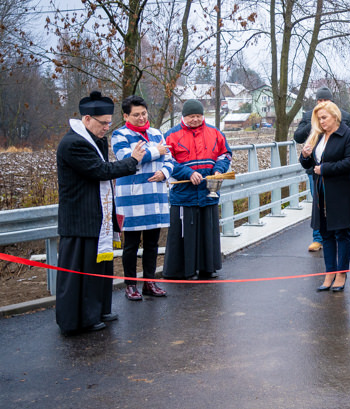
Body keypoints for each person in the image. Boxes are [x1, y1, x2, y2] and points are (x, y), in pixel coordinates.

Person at [55, 91, 146, 335]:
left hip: (99, 217)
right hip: (80, 218)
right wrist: (132, 161)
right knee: (80, 273)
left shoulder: (97, 139)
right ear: (86, 119)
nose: (107, 127)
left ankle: (99, 310)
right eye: (102, 122)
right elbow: (99, 170)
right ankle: (79, 319)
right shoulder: (73, 143)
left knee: (100, 269)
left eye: (108, 122)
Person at [111, 95, 173, 301]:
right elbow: (128, 159)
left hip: (154, 195)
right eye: (136, 115)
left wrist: (164, 172)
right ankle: (130, 284)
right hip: (131, 198)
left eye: (143, 114)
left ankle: (149, 282)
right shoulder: (119, 135)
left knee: (152, 244)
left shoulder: (156, 133)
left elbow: (170, 158)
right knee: (131, 245)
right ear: (126, 115)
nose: (141, 118)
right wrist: (157, 151)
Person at [162, 99, 232, 280]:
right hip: (184, 193)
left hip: (208, 191)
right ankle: (182, 271)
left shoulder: (215, 133)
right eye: (191, 116)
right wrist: (187, 173)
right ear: (184, 117)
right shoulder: (171, 135)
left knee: (207, 232)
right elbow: (168, 161)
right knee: (185, 233)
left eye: (198, 116)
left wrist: (219, 169)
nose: (195, 119)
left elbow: (225, 154)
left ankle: (207, 268)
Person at [300, 100, 350, 292]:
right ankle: (329, 273)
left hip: (341, 191)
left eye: (324, 117)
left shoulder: (349, 135)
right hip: (322, 192)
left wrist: (324, 169)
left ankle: (341, 274)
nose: (322, 122)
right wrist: (305, 155)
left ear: (335, 116)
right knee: (325, 234)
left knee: (341, 233)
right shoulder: (317, 136)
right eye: (319, 119)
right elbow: (308, 164)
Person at [294, 87, 350, 252]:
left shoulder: (344, 115)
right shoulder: (309, 116)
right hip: (315, 171)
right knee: (319, 206)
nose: (322, 103)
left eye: (325, 101)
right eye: (320, 101)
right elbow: (297, 136)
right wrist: (314, 127)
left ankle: (337, 236)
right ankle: (318, 238)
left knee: (335, 208)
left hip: (337, 172)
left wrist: (336, 129)